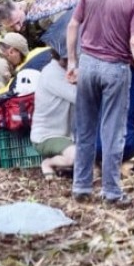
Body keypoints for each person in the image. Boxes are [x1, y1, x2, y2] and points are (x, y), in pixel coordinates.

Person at [66, 0, 134, 206]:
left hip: (88, 65)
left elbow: (73, 25)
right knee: (112, 131)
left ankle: (81, 186)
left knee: (85, 128)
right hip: (115, 68)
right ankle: (112, 192)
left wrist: (72, 61)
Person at [31, 43, 76, 179]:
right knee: (76, 157)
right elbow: (78, 97)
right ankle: (48, 163)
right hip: (47, 136)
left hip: (68, 135)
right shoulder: (51, 74)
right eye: (66, 59)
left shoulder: (65, 71)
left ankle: (63, 163)